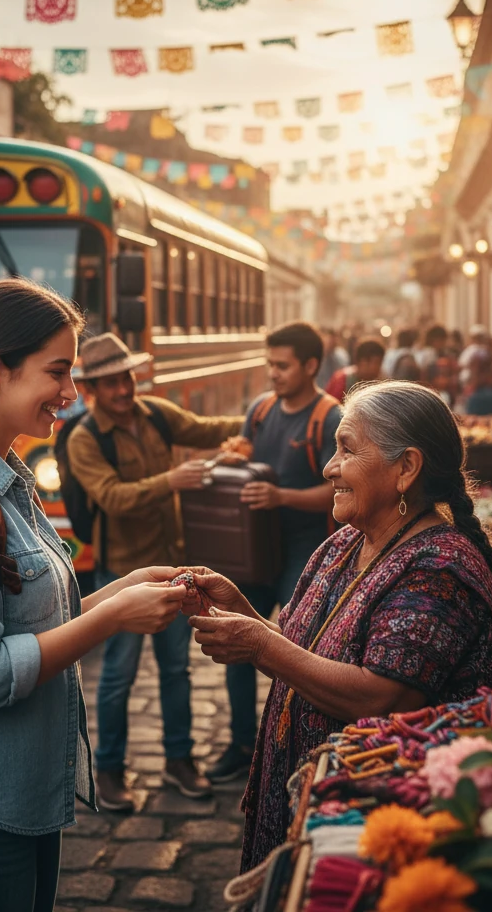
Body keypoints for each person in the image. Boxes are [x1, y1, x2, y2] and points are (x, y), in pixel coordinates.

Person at [0, 280, 188, 912]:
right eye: (58, 372)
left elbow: (31, 623)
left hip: (13, 797)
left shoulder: (1, 475)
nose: (71, 393)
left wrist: (122, 590)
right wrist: (113, 618)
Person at [182, 381, 492, 870]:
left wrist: (258, 645)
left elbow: (380, 697)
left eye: (347, 449)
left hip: (378, 836)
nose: (329, 467)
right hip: (314, 809)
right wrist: (243, 613)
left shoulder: (438, 570)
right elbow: (303, 653)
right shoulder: (344, 544)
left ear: (406, 468)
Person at [65, 333, 243, 811]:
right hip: (122, 573)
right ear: (92, 390)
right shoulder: (85, 439)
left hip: (171, 566)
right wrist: (172, 481)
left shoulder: (157, 414)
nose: (124, 389)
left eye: (126, 378)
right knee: (118, 676)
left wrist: (261, 418)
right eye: (110, 382)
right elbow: (112, 497)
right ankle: (108, 771)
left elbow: (206, 429)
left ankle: (179, 761)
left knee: (176, 670)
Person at [207, 322, 342, 784]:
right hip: (254, 549)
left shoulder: (330, 418)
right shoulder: (261, 410)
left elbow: (339, 491)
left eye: (282, 366)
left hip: (307, 551)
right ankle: (242, 743)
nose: (273, 373)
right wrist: (233, 460)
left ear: (310, 365)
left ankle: (299, 743)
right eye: (270, 364)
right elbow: (245, 457)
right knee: (234, 637)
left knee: (298, 648)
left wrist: (280, 496)